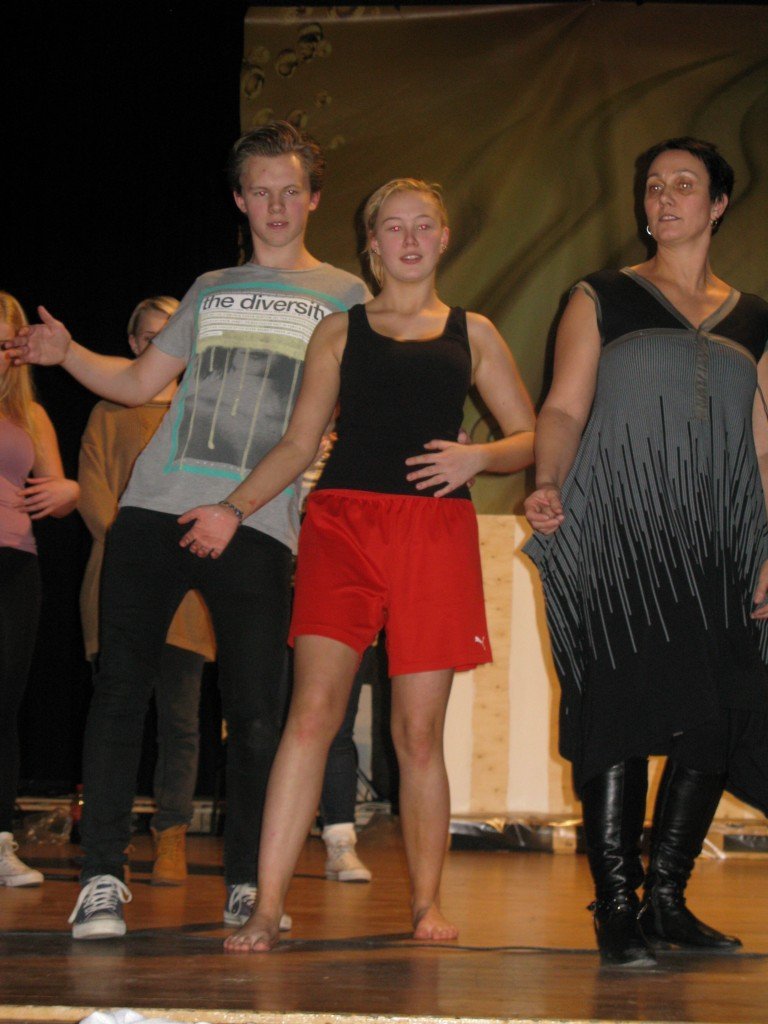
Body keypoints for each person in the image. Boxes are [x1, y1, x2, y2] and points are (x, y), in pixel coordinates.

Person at [3, 122, 369, 938]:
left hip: (255, 521)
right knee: (118, 694)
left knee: (256, 714)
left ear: (313, 198)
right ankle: (102, 878)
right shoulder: (210, 286)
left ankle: (246, 881)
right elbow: (139, 383)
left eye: (290, 190)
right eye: (260, 191)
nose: (276, 205)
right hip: (153, 508)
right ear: (240, 199)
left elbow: (347, 408)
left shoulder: (347, 295)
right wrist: (67, 353)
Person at [174, 177, 536, 952]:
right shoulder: (338, 332)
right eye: (392, 227)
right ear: (371, 245)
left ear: (443, 238)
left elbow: (531, 436)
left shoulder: (474, 332)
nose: (408, 240)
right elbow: (299, 442)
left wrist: (478, 458)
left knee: (418, 732)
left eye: (423, 226)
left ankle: (426, 904)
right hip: (343, 526)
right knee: (311, 715)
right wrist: (233, 507)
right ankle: (266, 908)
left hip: (434, 532)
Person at [523, 137, 768, 967]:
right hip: (619, 532)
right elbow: (563, 408)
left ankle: (668, 900)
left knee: (714, 718)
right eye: (654, 186)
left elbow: (765, 447)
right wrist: (547, 479)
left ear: (719, 204)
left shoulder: (756, 318)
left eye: (684, 185)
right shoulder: (601, 296)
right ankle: (618, 908)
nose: (664, 198)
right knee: (617, 713)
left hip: (722, 542)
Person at [78, 295, 216, 886]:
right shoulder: (109, 411)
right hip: (120, 576)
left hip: (188, 586)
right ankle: (109, 844)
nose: (163, 345)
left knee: (180, 723)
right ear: (135, 344)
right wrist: (136, 550)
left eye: (174, 334)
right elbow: (93, 494)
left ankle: (171, 836)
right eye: (152, 336)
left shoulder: (203, 408)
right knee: (118, 713)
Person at [0, 291, 79, 887]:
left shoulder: (30, 414)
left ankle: (0, 841)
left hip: (14, 561)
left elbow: (60, 489)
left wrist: (68, 491)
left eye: (5, 340)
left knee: (4, 701)